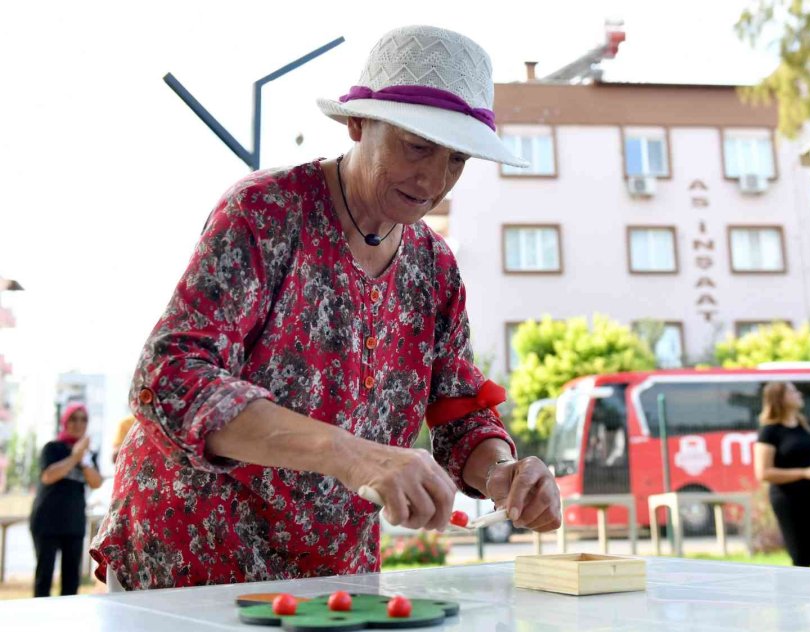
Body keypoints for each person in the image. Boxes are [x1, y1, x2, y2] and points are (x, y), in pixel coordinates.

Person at [91, 25, 561, 590]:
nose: (435, 180)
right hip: (190, 564)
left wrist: (502, 474)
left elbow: (459, 412)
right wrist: (355, 455)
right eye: (417, 146)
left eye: (457, 160)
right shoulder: (265, 212)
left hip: (331, 579)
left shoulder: (434, 266)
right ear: (357, 123)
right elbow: (167, 379)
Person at [753, 382, 810, 568]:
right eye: (792, 391)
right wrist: (805, 472)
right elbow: (763, 472)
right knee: (802, 557)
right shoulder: (769, 432)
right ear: (779, 398)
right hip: (789, 499)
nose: (799, 394)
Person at [30, 402, 102, 596]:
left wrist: (83, 459)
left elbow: (96, 482)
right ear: (65, 421)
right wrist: (74, 456)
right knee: (44, 577)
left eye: (83, 419)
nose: (78, 424)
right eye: (73, 419)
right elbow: (48, 476)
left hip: (74, 524)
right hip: (47, 522)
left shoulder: (88, 455)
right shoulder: (52, 448)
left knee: (71, 582)